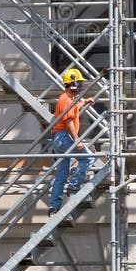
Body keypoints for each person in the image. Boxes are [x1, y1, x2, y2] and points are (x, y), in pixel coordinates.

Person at [48, 68, 95, 215]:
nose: (80, 86)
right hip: (64, 137)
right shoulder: (66, 99)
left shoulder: (66, 99)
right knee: (88, 158)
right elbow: (68, 122)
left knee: (61, 173)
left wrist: (85, 102)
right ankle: (74, 186)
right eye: (79, 83)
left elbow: (73, 109)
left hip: (58, 138)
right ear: (73, 83)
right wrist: (77, 140)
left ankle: (54, 207)